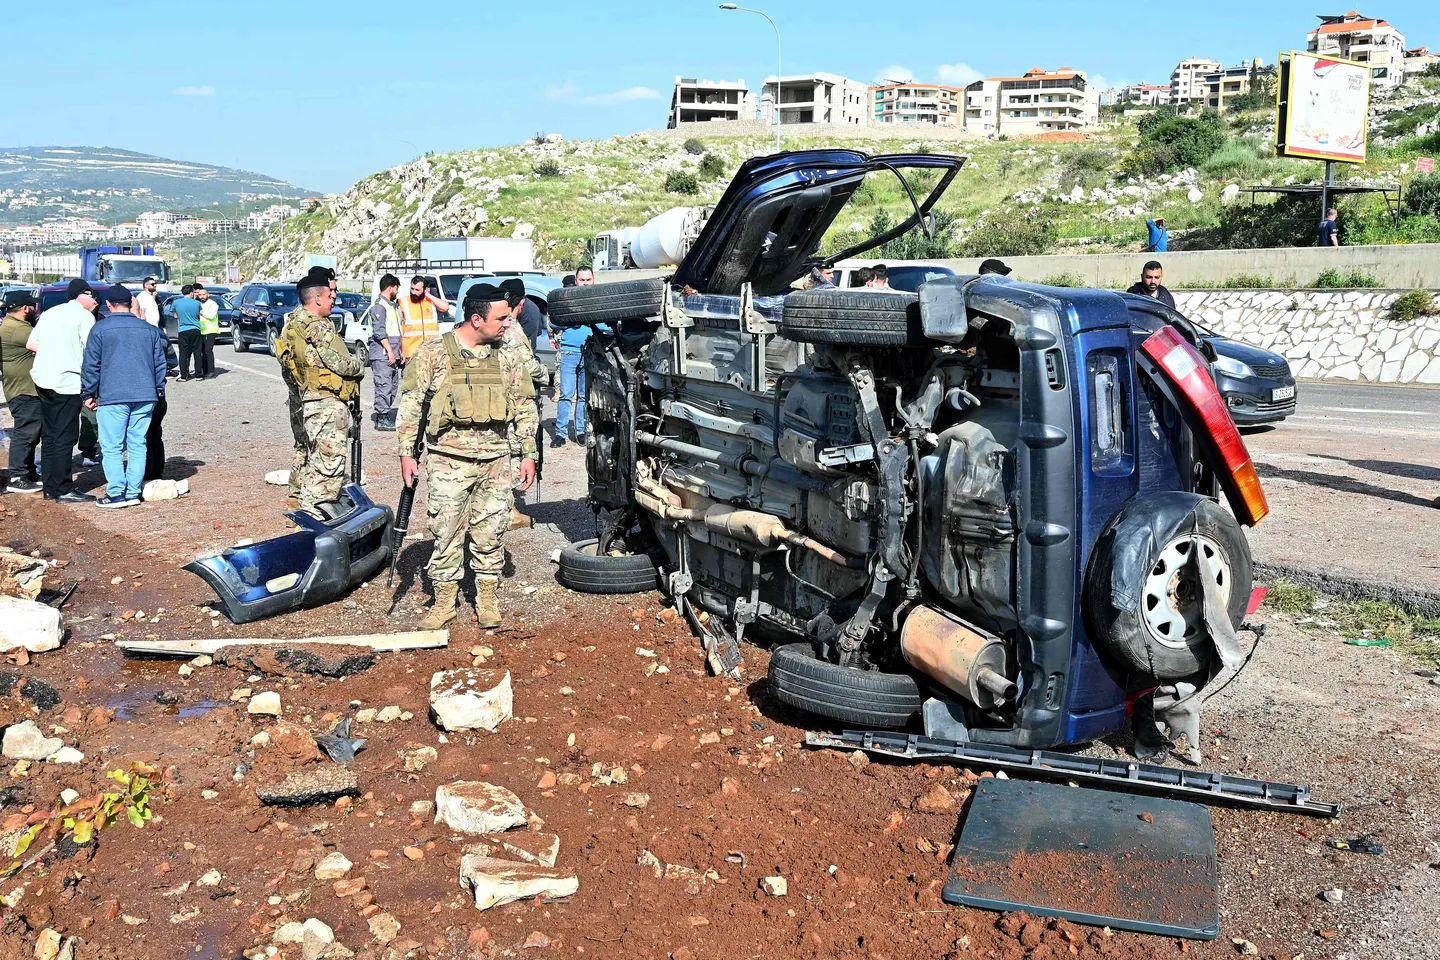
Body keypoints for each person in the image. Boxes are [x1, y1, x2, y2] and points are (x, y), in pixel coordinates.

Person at [396, 283, 537, 629]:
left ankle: (486, 597)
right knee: (445, 531)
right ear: (476, 319)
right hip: (448, 460)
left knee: (491, 530)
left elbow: (523, 404)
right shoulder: (434, 353)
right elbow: (412, 403)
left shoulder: (507, 354)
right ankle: (444, 600)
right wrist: (406, 453)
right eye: (501, 318)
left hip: (496, 460)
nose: (507, 323)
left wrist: (527, 452)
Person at [279, 268, 364, 516]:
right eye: (330, 293)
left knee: (307, 452)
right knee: (327, 465)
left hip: (303, 397)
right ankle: (313, 517)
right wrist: (359, 366)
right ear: (318, 297)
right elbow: (340, 362)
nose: (334, 298)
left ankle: (298, 502)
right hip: (324, 401)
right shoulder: (318, 326)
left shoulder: (293, 322)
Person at [80, 286, 167, 508]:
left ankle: (117, 492)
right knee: (138, 443)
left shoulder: (100, 329)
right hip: (145, 394)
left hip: (113, 394)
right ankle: (133, 492)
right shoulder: (149, 330)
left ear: (108, 305)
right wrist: (157, 390)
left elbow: (91, 365)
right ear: (131, 302)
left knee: (112, 446)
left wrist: (88, 393)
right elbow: (160, 364)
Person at [27, 279, 97, 503]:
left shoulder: (49, 313)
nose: (95, 301)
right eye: (92, 296)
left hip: (43, 379)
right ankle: (62, 489)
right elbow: (92, 352)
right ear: (81, 295)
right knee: (64, 437)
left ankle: (51, 486)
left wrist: (54, 352)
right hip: (67, 382)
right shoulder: (83, 316)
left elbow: (32, 343)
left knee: (50, 435)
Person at [1, 291, 42, 494]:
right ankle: (17, 476)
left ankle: (29, 471)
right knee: (26, 433)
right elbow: (48, 347)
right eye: (33, 306)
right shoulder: (18, 330)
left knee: (32, 432)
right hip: (23, 390)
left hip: (23, 388)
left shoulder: (13, 326)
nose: (35, 310)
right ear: (26, 308)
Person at [553, 268, 594, 447]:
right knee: (566, 395)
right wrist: (572, 319)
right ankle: (560, 433)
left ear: (593, 280)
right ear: (576, 280)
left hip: (589, 353)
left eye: (588, 279)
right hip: (570, 354)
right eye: (582, 279)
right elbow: (554, 321)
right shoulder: (566, 299)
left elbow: (605, 322)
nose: (585, 283)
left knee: (584, 396)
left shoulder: (596, 300)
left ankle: (580, 431)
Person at [366, 273, 404, 431]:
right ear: (391, 288)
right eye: (397, 288)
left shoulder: (392, 306)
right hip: (382, 354)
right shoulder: (379, 306)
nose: (397, 292)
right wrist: (390, 351)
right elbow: (379, 332)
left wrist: (398, 352)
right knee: (384, 384)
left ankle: (386, 414)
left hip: (392, 353)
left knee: (392, 385)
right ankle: (382, 418)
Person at [398, 276, 449, 362]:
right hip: (410, 354)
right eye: (412, 289)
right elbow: (397, 329)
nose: (413, 292)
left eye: (417, 290)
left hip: (430, 352)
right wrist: (400, 350)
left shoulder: (430, 301)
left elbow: (445, 307)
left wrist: (428, 295)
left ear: (425, 290)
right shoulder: (403, 302)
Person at [173, 284, 203, 380]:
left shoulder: (176, 302)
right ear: (191, 293)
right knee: (197, 352)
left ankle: (183, 375)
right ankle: (198, 374)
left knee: (183, 353)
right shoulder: (197, 303)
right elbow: (199, 315)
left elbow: (175, 316)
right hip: (195, 329)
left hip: (183, 330)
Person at [195, 283, 220, 379]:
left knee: (208, 351)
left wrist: (201, 312)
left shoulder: (212, 304)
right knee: (201, 352)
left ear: (208, 294)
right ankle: (203, 370)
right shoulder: (198, 304)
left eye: (203, 294)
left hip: (210, 330)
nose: (201, 296)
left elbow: (211, 316)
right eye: (200, 295)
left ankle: (211, 371)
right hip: (200, 330)